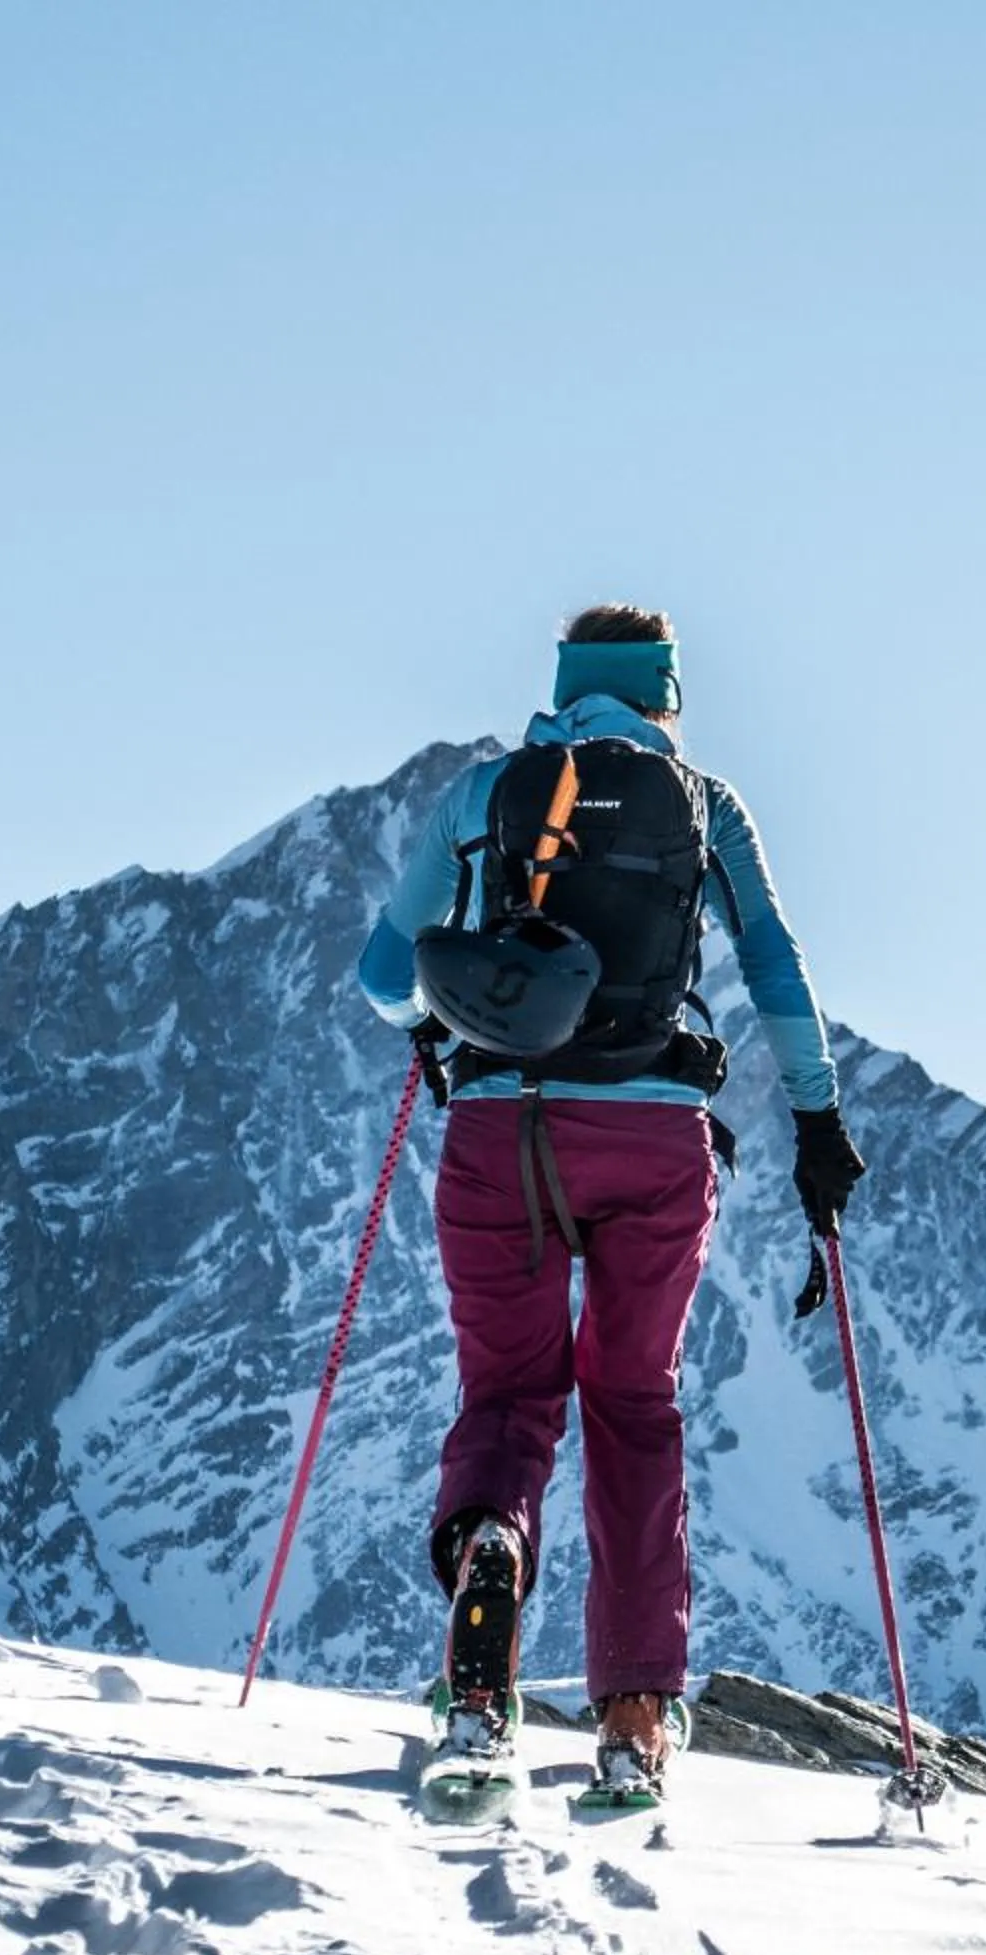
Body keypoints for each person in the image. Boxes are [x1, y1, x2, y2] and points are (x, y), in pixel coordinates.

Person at [355, 602, 865, 1801]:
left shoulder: (484, 797)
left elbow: (386, 982)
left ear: (566, 684)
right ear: (664, 691)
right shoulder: (705, 806)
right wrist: (820, 1120)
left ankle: (486, 1609)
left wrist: (454, 1010)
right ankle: (634, 1717)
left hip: (496, 1130)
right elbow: (779, 968)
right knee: (632, 1403)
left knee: (509, 1390)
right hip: (651, 1138)